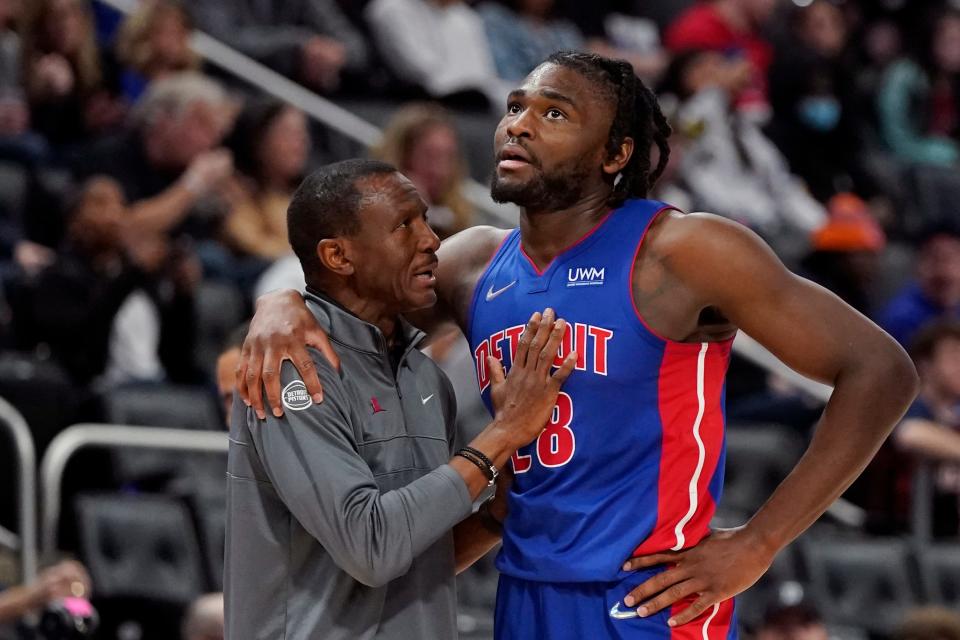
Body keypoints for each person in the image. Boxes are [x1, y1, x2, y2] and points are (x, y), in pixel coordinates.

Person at [238, 52, 917, 637]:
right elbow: (340, 287)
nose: (518, 124)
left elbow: (880, 371)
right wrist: (276, 306)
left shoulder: (684, 251)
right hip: (522, 592)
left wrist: (763, 541)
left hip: (648, 598)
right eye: (514, 107)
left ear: (615, 153)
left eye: (554, 114)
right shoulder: (472, 265)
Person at [224, 158, 577, 638]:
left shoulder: (425, 376)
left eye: (425, 220)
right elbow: (371, 549)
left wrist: (495, 516)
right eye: (403, 225)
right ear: (338, 256)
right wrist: (504, 433)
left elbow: (418, 554)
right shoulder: (291, 370)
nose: (431, 240)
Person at [891, 320, 960, 536]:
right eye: (953, 358)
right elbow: (910, 433)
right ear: (926, 365)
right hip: (895, 533)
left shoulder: (952, 416)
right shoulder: (910, 405)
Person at [371, 102, 473, 239]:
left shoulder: (458, 221)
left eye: (448, 157)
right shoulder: (367, 211)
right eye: (429, 156)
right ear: (403, 156)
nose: (440, 171)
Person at [876, 224, 960, 348]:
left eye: (950, 259)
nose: (944, 272)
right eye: (935, 259)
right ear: (918, 264)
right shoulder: (899, 318)